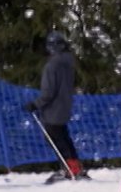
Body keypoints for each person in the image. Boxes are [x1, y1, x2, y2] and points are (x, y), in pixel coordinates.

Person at [25, 30, 86, 182]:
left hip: (53, 110)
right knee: (64, 137)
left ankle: (68, 168)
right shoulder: (68, 63)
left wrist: (35, 104)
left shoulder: (52, 66)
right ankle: (75, 167)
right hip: (64, 107)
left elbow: (48, 92)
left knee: (57, 140)